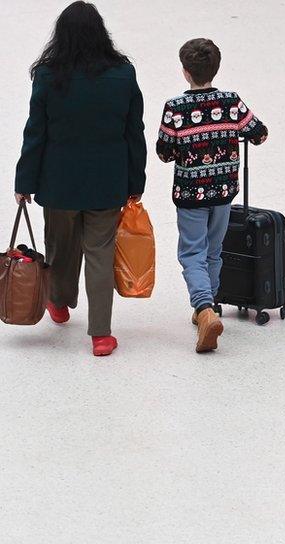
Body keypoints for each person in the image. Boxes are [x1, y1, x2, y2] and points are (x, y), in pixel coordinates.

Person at [14, 1, 147, 357]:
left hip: (58, 183)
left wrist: (24, 181)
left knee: (61, 247)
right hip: (107, 182)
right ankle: (101, 335)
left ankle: (58, 302)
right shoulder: (123, 74)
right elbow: (134, 132)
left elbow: (35, 134)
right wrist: (136, 182)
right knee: (100, 254)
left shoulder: (47, 76)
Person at [156, 38, 268, 353]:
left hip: (191, 193)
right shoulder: (231, 102)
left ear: (185, 72)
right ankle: (208, 307)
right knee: (213, 251)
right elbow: (259, 133)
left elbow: (164, 152)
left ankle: (205, 309)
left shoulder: (176, 108)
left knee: (192, 253)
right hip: (223, 191)